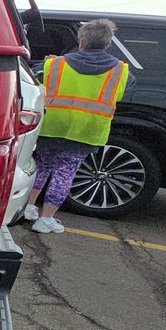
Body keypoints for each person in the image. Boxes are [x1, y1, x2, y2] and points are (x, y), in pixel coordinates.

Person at [25, 18, 131, 234]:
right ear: (107, 43)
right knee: (65, 173)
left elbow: (33, 78)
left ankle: (27, 207)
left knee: (42, 166)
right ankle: (45, 219)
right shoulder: (120, 71)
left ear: (81, 42)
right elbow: (122, 92)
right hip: (86, 131)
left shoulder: (55, 64)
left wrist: (51, 63)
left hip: (52, 126)